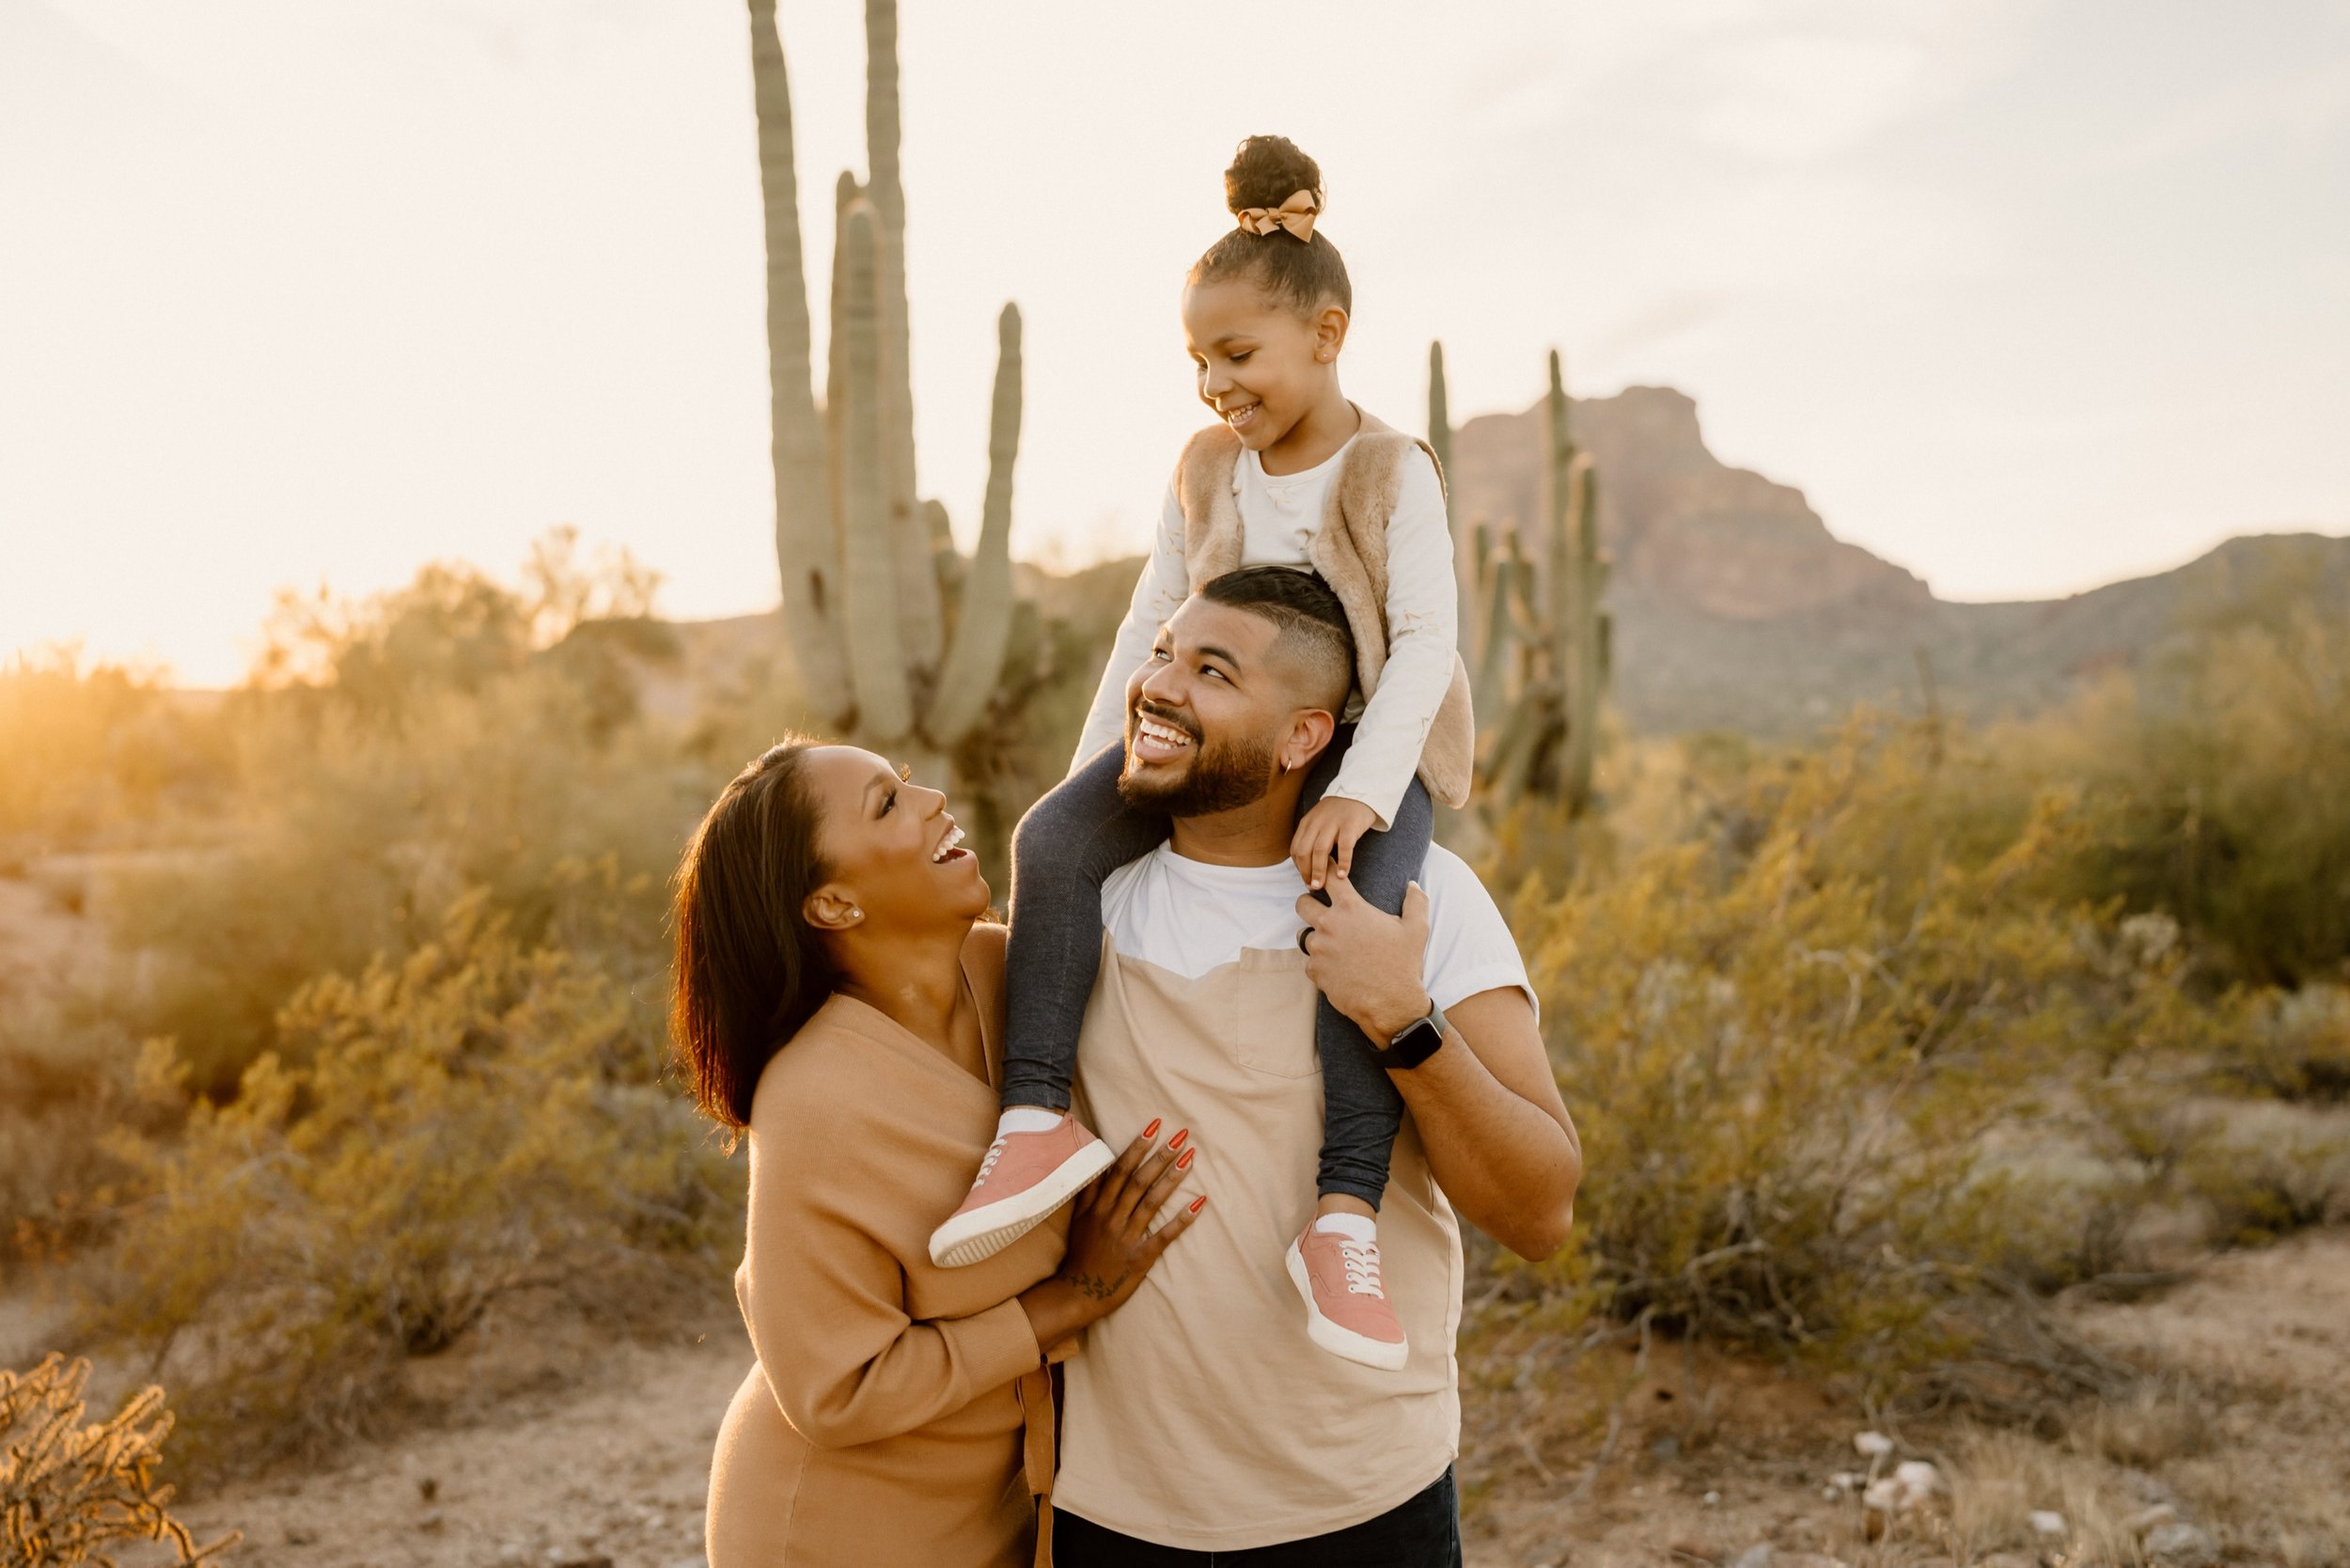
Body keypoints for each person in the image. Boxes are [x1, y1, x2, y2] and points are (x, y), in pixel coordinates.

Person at [931, 133, 1478, 1377]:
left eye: (1237, 356)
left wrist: (1358, 791)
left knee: (1352, 922)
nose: (1213, 385)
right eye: (1197, 360)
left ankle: (1341, 1214)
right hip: (1211, 742)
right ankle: (1034, 1115)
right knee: (1051, 842)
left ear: (1326, 335)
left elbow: (1431, 643)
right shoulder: (1204, 467)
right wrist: (1097, 766)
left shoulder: (1391, 471)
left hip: (1365, 748)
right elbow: (1151, 617)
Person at [1046, 566, 1583, 1564]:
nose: (1159, 685)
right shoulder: (1081, 901)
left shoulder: (1423, 899)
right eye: (1163, 653)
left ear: (1304, 735)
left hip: (1359, 1503)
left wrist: (1402, 1019)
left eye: (1213, 671)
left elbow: (1539, 1210)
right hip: (1108, 1506)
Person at [669, 743, 1204, 1568]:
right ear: (834, 903)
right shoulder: (813, 1100)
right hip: (838, 1531)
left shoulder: (1014, 971)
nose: (936, 801)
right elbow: (835, 1389)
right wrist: (1068, 1301)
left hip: (1005, 1510)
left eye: (908, 783)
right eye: (887, 804)